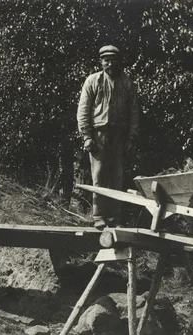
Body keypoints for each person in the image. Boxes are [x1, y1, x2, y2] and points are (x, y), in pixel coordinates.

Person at [77, 45, 140, 228]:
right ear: (101, 62)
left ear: (119, 62)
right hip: (99, 135)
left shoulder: (127, 83)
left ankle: (115, 218)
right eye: (106, 60)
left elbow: (134, 113)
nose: (110, 63)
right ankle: (99, 217)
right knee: (99, 175)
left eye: (114, 60)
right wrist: (87, 137)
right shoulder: (93, 81)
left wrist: (132, 137)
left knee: (117, 176)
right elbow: (83, 110)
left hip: (119, 136)